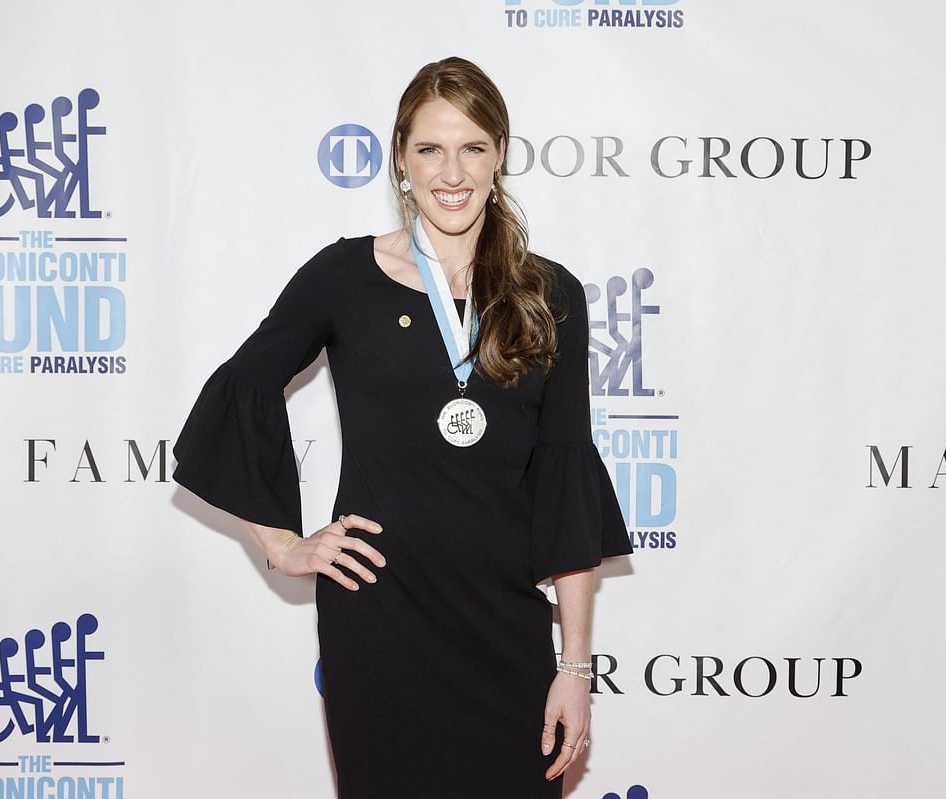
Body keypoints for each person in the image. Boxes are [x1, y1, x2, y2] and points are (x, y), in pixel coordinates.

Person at [171, 56, 632, 798]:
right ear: (399, 159)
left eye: (473, 147)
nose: (452, 171)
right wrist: (283, 544)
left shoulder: (550, 294)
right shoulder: (342, 277)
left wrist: (574, 667)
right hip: (378, 622)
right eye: (430, 149)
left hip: (502, 624)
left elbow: (566, 474)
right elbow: (239, 389)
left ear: (501, 155)